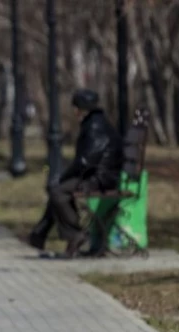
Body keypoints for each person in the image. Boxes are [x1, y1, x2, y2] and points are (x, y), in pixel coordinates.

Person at [28, 89, 123, 257]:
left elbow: (85, 161)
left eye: (75, 107)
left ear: (81, 108)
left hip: (100, 178)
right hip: (100, 175)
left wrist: (66, 176)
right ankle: (42, 232)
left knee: (58, 191)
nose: (73, 111)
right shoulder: (96, 122)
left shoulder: (94, 126)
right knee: (58, 189)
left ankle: (73, 234)